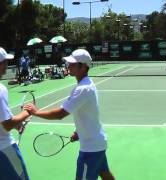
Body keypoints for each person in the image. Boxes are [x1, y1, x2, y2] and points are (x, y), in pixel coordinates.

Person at [24, 49, 115, 180]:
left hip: (91, 149)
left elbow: (61, 114)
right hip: (97, 143)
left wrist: (36, 112)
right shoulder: (86, 85)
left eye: (72, 63)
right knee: (106, 175)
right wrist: (78, 132)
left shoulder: (82, 89)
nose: (68, 66)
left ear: (83, 67)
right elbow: (88, 114)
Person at [0, 47, 31, 180]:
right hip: (5, 150)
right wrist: (26, 112)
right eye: (5, 62)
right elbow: (6, 124)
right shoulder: (1, 89)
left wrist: (16, 123)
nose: (7, 65)